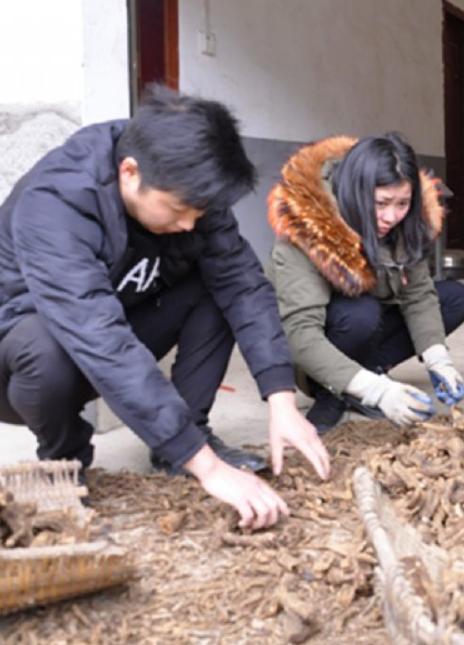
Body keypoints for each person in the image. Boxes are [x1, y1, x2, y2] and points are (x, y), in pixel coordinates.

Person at [0, 87, 330, 529]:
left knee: (216, 286)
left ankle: (181, 440)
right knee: (45, 348)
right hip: (21, 366)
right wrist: (211, 470)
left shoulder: (188, 187)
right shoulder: (56, 203)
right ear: (130, 172)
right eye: (179, 210)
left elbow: (243, 285)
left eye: (200, 211)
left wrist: (281, 400)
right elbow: (100, 338)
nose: (190, 224)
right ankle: (63, 462)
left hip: (112, 322)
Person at [266, 133, 464, 432]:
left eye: (403, 204)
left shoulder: (405, 224)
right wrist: (378, 392)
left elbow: (418, 295)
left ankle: (366, 373)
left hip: (369, 324)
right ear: (355, 192)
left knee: (453, 298)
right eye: (382, 203)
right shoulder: (306, 229)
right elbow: (299, 335)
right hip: (321, 344)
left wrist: (439, 360)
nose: (391, 216)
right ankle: (333, 390)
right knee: (360, 312)